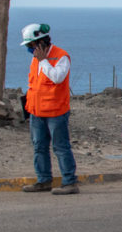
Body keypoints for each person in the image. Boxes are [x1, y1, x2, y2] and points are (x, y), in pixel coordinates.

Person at [19, 23, 78, 195]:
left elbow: (57, 78)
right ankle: (43, 180)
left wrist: (43, 61)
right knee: (39, 146)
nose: (30, 49)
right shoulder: (36, 58)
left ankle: (70, 182)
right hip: (36, 111)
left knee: (60, 147)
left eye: (31, 45)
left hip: (55, 111)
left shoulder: (60, 56)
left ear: (40, 42)